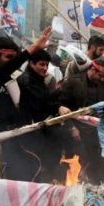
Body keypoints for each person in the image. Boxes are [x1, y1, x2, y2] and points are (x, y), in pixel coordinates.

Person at [0, 26, 52, 180]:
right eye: (9, 58)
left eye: (15, 58)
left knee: (18, 178)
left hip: (16, 138)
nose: (13, 63)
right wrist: (32, 49)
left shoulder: (16, 78)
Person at [58, 57, 104, 185]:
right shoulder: (73, 82)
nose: (102, 79)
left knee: (94, 164)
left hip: (95, 132)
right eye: (100, 75)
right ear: (92, 69)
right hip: (76, 131)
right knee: (76, 164)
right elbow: (61, 107)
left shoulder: (103, 85)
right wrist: (71, 127)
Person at [16, 50, 63, 183]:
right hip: (29, 133)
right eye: (41, 64)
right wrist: (58, 107)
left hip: (38, 131)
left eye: (47, 65)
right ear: (31, 63)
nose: (45, 68)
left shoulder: (37, 80)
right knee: (34, 169)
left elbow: (44, 99)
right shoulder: (26, 81)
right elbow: (39, 104)